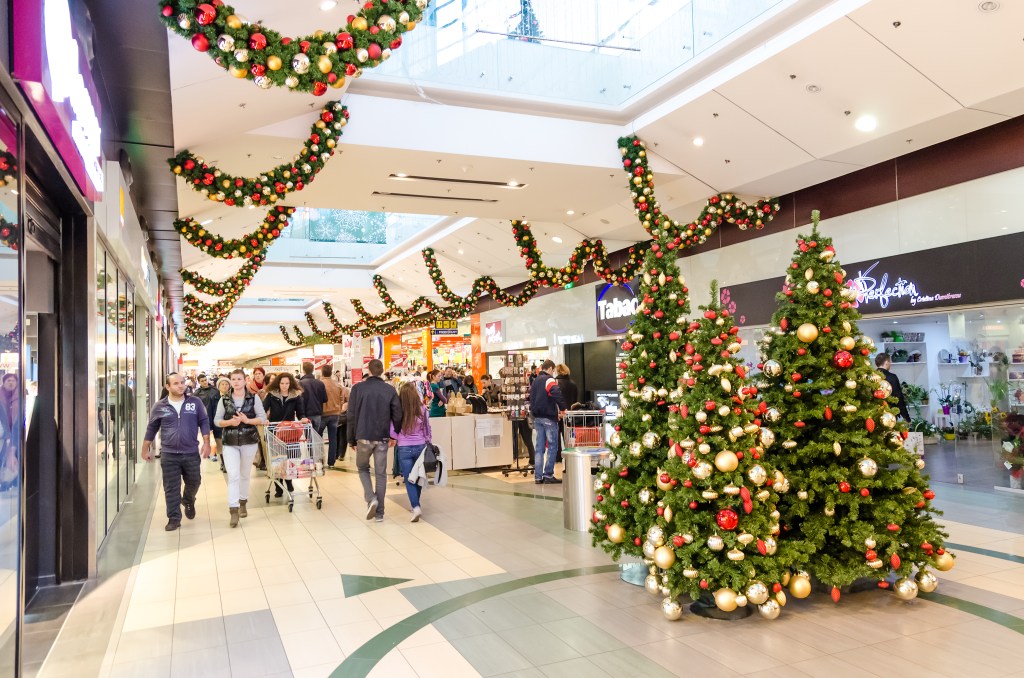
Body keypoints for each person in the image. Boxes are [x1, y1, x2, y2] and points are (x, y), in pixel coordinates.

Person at [141, 373, 211, 531]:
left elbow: (204, 421)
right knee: (171, 487)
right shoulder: (160, 406)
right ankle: (173, 518)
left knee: (194, 481)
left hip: (191, 452)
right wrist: (145, 449)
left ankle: (188, 500)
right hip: (169, 454)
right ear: (168, 386)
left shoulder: (195, 402)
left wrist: (207, 443)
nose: (181, 386)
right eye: (176, 383)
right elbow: (152, 428)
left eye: (182, 382)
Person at [347, 359, 402, 522]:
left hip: (363, 435)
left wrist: (351, 440)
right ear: (382, 371)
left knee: (362, 468)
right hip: (382, 437)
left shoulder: (357, 389)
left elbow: (351, 416)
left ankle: (371, 499)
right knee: (381, 474)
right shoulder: (389, 390)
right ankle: (380, 514)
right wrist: (394, 435)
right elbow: (398, 415)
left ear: (368, 370)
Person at [216, 369, 268, 527]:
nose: (236, 382)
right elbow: (217, 420)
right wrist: (228, 423)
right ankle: (233, 509)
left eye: (239, 379)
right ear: (230, 381)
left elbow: (263, 419)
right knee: (233, 476)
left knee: (245, 474)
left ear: (245, 380)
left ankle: (243, 501)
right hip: (230, 441)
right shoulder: (224, 399)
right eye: (233, 379)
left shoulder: (254, 398)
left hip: (249, 440)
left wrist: (247, 420)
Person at [391, 382, 431, 522]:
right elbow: (427, 428)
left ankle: (415, 506)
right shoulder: (423, 409)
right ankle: (416, 504)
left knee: (409, 479)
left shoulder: (398, 411)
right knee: (419, 477)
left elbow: (393, 429)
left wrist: (394, 439)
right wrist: (428, 440)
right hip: (420, 446)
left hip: (404, 448)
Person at [263, 372, 306, 497]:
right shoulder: (271, 395)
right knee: (277, 459)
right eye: (282, 383)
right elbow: (263, 408)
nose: (284, 386)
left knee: (290, 458)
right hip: (274, 432)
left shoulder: (295, 396)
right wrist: (264, 418)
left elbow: (301, 412)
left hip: (289, 432)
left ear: (291, 383)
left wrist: (302, 418)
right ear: (278, 383)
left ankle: (289, 480)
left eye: (287, 383)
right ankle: (278, 486)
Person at [529, 360, 567, 485]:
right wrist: (563, 409)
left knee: (539, 448)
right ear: (550, 368)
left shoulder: (535, 381)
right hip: (549, 418)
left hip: (537, 418)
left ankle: (538, 477)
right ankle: (548, 474)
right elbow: (556, 393)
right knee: (552, 446)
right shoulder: (549, 380)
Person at [320, 364, 348, 466]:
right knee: (333, 438)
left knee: (319, 438)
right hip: (335, 414)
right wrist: (339, 409)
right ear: (331, 372)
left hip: (323, 414)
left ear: (322, 373)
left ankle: (320, 461)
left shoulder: (320, 384)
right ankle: (331, 462)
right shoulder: (337, 385)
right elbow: (341, 399)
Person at [875, 353, 911, 421]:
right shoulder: (892, 377)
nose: (890, 364)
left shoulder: (872, 376)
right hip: (890, 415)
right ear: (886, 362)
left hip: (874, 414)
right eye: (890, 361)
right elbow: (898, 398)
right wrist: (907, 418)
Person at [299, 361, 328, 437]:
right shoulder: (320, 383)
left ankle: (311, 449)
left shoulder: (301, 383)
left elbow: (300, 400)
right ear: (312, 370)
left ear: (303, 370)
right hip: (318, 414)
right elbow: (325, 399)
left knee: (309, 438)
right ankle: (316, 449)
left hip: (306, 415)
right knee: (316, 437)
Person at [208, 376, 231, 471]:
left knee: (229, 446)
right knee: (221, 446)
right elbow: (210, 412)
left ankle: (229, 463)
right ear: (218, 386)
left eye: (226, 384)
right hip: (218, 426)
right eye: (222, 384)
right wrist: (209, 426)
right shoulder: (214, 398)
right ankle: (224, 463)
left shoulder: (232, 397)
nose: (224, 386)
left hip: (230, 425)